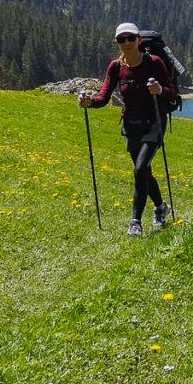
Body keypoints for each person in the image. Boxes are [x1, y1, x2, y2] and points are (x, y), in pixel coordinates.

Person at [79, 22, 177, 237]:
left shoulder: (154, 62)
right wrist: (90, 103)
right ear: (117, 43)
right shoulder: (115, 67)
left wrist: (159, 89)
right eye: (122, 39)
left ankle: (135, 222)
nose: (127, 42)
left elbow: (172, 92)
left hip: (155, 121)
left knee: (140, 169)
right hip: (131, 122)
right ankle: (161, 208)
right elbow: (104, 97)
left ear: (139, 40)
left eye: (131, 38)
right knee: (144, 172)